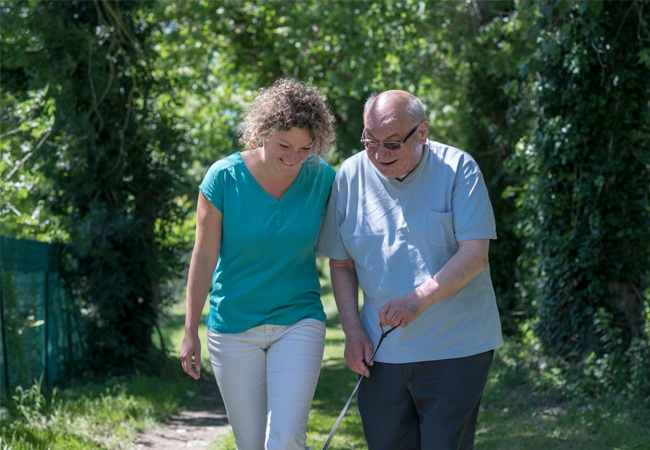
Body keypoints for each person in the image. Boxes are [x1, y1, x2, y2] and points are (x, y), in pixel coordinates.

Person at [316, 90, 503, 450]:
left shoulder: (458, 169)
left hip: (457, 348)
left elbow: (476, 254)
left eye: (391, 144)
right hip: (382, 353)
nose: (379, 154)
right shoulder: (350, 175)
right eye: (370, 141)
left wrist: (417, 300)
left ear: (422, 132)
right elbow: (341, 264)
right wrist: (354, 332)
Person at [180, 78, 336, 450]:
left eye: (305, 148)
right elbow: (203, 258)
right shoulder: (223, 178)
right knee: (250, 443)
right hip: (233, 325)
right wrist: (189, 330)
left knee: (285, 439)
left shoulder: (323, 179)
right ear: (261, 132)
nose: (293, 158)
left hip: (298, 319)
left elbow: (352, 247)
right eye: (284, 145)